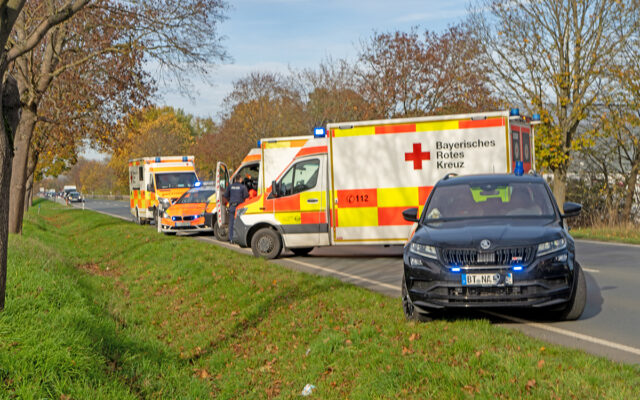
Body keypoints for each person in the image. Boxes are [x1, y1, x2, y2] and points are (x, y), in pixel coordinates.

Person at [223, 174, 249, 243]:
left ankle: (231, 239)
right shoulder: (243, 187)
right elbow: (246, 196)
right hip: (240, 208)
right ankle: (240, 239)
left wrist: (230, 201)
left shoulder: (230, 187)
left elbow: (225, 196)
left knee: (231, 224)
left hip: (232, 207)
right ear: (240, 180)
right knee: (240, 223)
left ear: (235, 180)